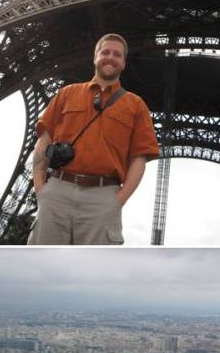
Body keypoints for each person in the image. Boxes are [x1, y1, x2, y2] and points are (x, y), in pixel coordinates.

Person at [27, 33, 159, 245]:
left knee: (95, 271)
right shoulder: (66, 94)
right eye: (105, 52)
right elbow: (44, 140)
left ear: (123, 62)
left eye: (117, 54)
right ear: (95, 57)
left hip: (103, 197)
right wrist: (41, 188)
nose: (110, 57)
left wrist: (117, 201)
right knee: (40, 266)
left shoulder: (136, 106)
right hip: (57, 191)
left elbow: (139, 159)